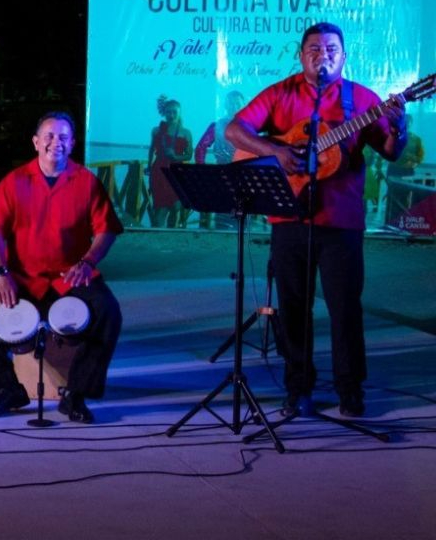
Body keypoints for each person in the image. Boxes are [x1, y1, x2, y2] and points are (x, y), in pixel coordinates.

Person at [225, 22, 406, 418]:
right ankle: (298, 387)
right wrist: (277, 151)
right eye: (314, 48)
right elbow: (235, 130)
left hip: (341, 221)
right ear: (301, 54)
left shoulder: (361, 99)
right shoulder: (281, 92)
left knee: (345, 308)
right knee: (292, 308)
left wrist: (400, 124)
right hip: (288, 217)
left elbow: (391, 151)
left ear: (343, 55)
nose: (322, 54)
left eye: (331, 48)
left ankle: (349, 388)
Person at [0, 112, 124, 422]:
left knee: (109, 311)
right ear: (36, 142)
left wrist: (88, 262)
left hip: (69, 276)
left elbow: (107, 230)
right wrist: (1, 273)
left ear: (73, 143)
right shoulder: (15, 180)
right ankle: (8, 388)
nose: (55, 143)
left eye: (63, 137)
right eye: (48, 136)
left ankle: (76, 394)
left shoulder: (86, 181)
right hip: (22, 276)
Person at [194, 90, 246, 228]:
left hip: (245, 174)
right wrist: (201, 169)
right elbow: (201, 147)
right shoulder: (217, 126)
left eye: (237, 104)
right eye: (231, 104)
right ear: (225, 106)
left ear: (243, 105)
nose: (234, 107)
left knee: (245, 213)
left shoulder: (251, 126)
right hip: (223, 173)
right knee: (223, 211)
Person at [147, 95, 192, 228]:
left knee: (176, 206)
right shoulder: (156, 130)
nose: (171, 115)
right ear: (164, 113)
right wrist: (149, 167)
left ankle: (172, 234)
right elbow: (151, 151)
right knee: (161, 207)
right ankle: (159, 237)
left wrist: (176, 157)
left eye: (174, 112)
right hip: (159, 171)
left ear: (179, 113)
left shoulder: (186, 133)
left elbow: (189, 155)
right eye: (168, 112)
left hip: (177, 172)